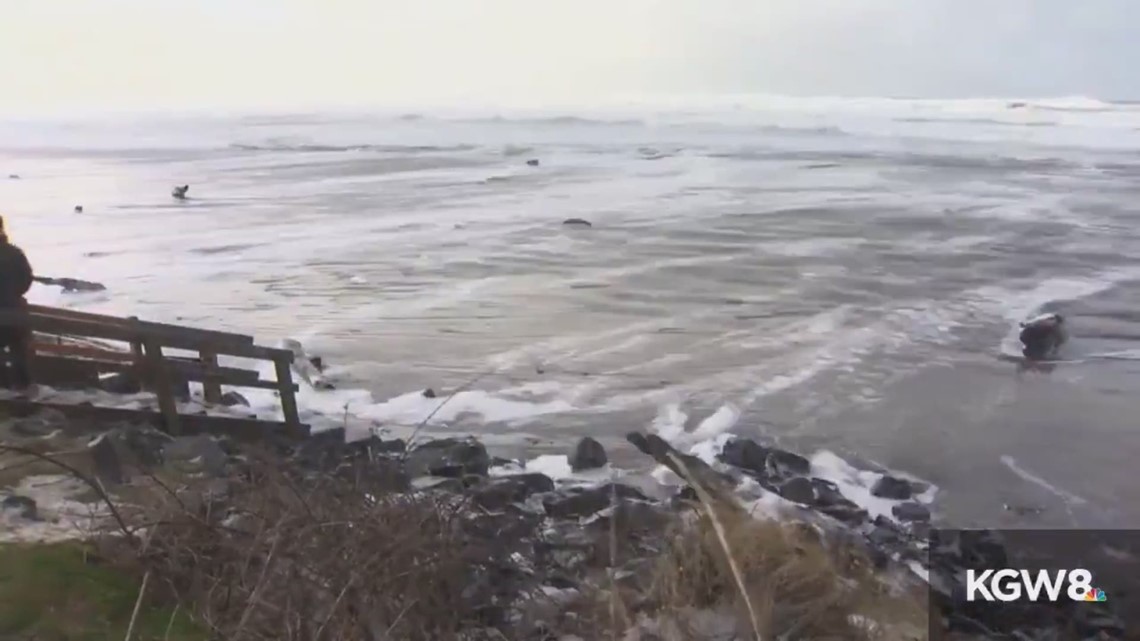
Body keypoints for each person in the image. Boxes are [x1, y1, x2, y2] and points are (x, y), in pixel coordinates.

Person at [0, 216, 34, 390]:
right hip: (15, 312)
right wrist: (14, 295)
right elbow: (27, 278)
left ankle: (5, 390)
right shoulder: (15, 253)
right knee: (18, 353)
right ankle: (24, 389)